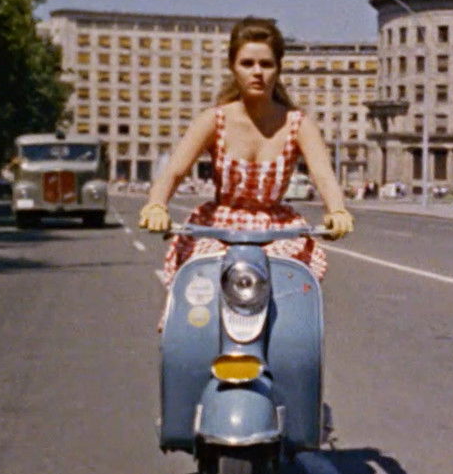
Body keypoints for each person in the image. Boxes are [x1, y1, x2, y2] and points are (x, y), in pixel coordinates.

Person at [139, 17, 353, 297]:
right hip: (219, 228)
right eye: (247, 64)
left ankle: (287, 340)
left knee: (290, 284)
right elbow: (174, 171)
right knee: (199, 287)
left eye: (266, 64)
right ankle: (192, 338)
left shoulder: (297, 123)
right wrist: (157, 205)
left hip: (276, 230)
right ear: (232, 67)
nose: (257, 73)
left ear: (278, 68)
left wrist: (336, 210)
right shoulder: (213, 120)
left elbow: (323, 175)